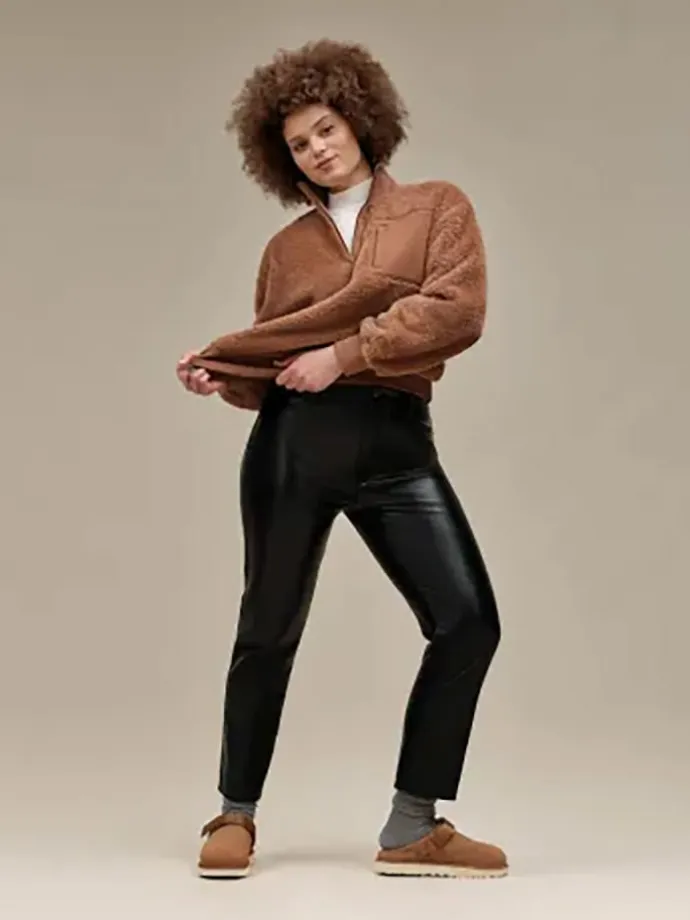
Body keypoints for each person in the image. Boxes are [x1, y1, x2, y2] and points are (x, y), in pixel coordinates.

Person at [177, 38, 507, 880]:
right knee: (267, 627)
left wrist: (347, 354)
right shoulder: (286, 250)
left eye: (325, 129)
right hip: (295, 443)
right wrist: (226, 376)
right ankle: (234, 814)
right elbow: (275, 361)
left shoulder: (437, 208)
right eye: (298, 143)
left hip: (397, 443)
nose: (317, 149)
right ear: (282, 158)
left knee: (468, 620)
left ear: (359, 119)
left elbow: (456, 311)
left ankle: (412, 824)